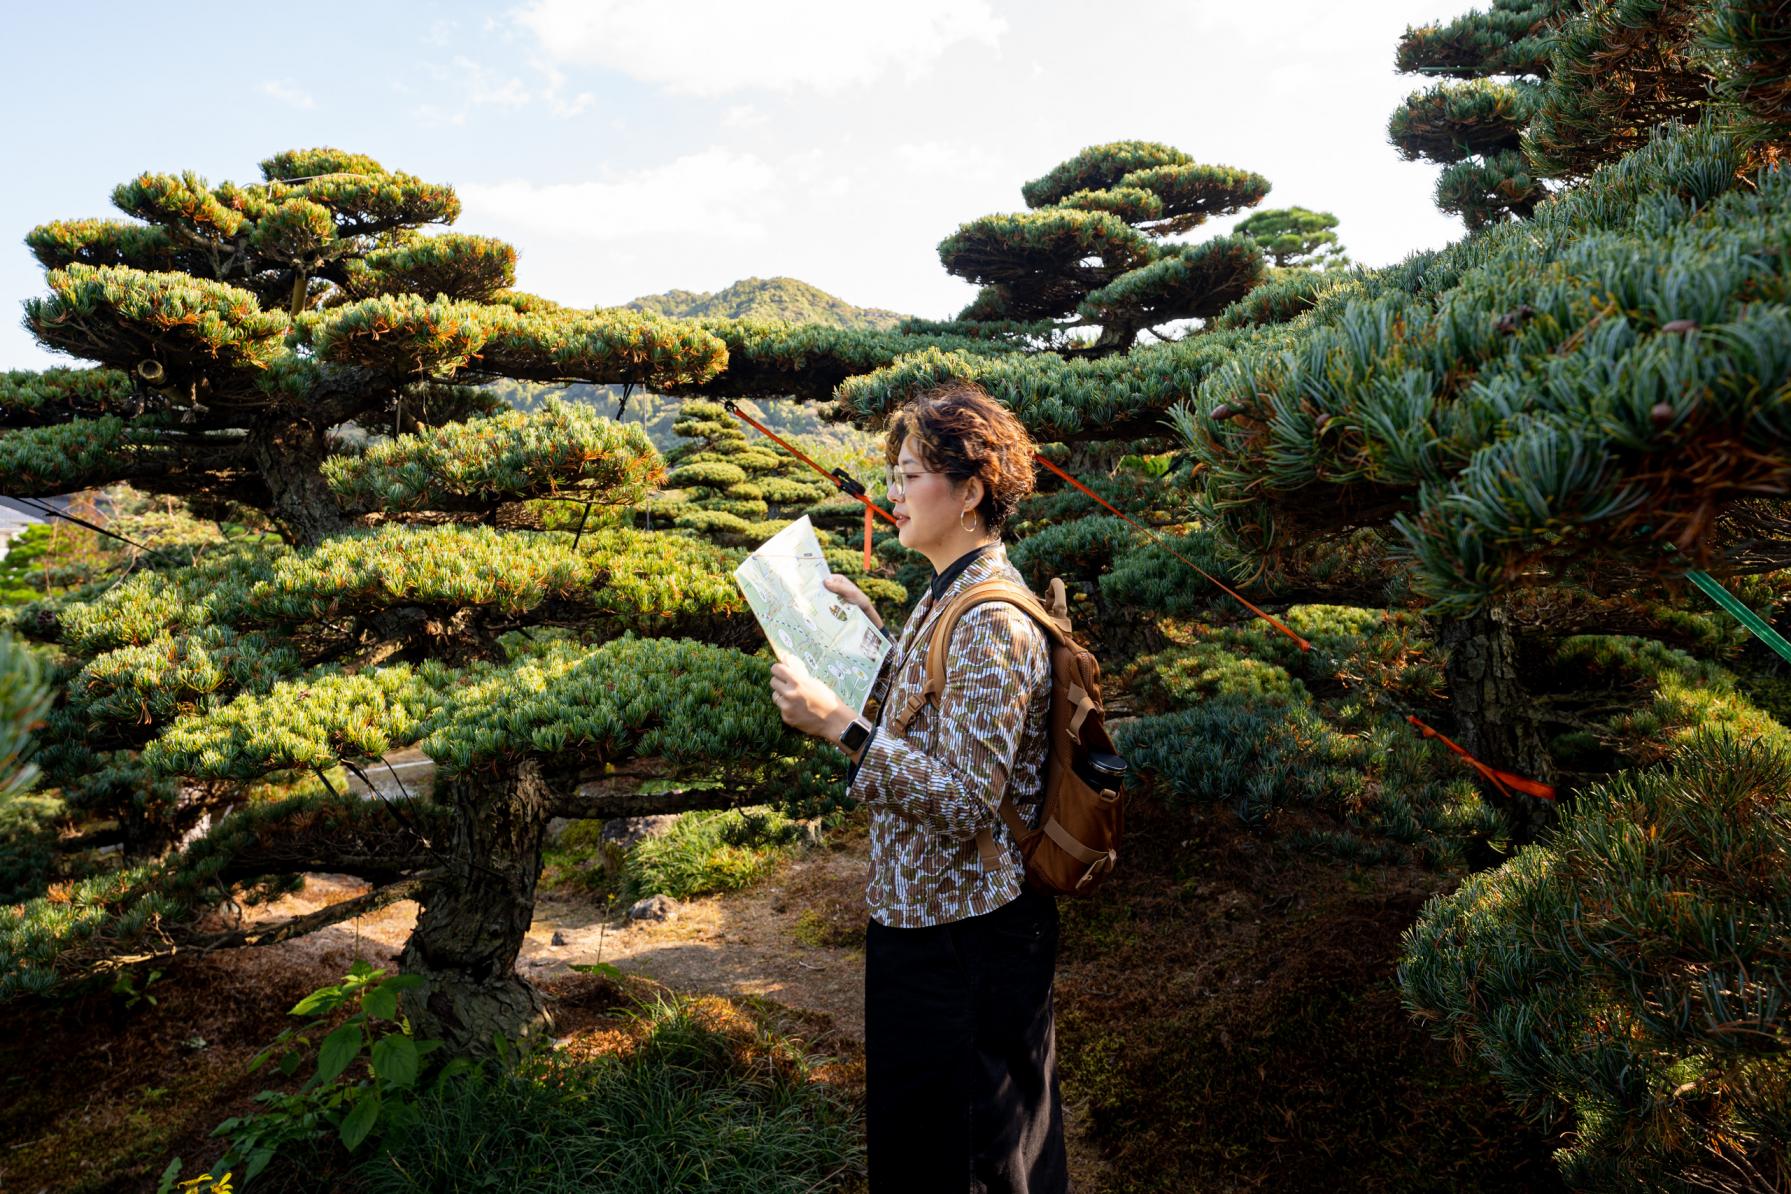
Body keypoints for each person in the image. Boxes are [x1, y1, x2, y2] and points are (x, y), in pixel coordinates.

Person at [769, 379, 1068, 1193]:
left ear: (970, 493)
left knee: (970, 1154)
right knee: (924, 1143)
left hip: (967, 933)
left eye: (909, 476)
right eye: (893, 474)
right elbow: (924, 724)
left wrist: (839, 724)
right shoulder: (943, 598)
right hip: (923, 919)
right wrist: (860, 634)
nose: (891, 494)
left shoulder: (990, 622)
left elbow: (969, 797)